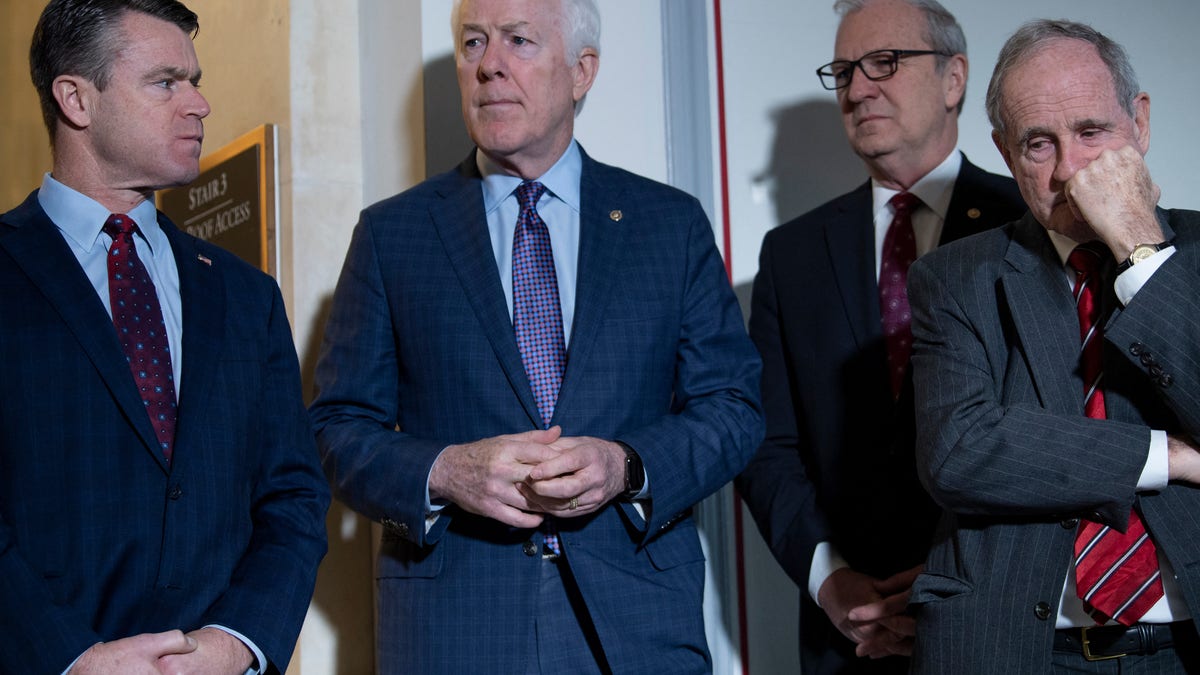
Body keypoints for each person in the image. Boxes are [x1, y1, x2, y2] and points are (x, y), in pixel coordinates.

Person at [308, 0, 763, 672]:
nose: (489, 64)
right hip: (457, 627)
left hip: (635, 625)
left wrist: (627, 465)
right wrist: (444, 472)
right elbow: (337, 429)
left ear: (582, 71)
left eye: (518, 41)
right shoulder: (392, 235)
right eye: (472, 43)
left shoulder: (669, 225)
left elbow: (734, 408)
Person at [0, 1, 330, 673]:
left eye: (196, 79)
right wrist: (71, 658)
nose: (200, 104)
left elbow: (293, 497)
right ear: (76, 98)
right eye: (165, 81)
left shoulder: (245, 294)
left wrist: (238, 641)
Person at [735, 0, 1023, 672]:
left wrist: (961, 574)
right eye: (843, 71)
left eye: (884, 63)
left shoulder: (1028, 227)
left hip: (1004, 621)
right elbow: (765, 445)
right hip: (850, 640)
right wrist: (828, 577)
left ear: (954, 79)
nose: (858, 88)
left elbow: (1059, 431)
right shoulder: (791, 254)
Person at [907, 18, 1200, 672]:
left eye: (1092, 132)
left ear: (1140, 123)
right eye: (1039, 143)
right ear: (1006, 153)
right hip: (1014, 645)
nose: (1070, 169)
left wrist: (1138, 248)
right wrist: (1169, 454)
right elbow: (959, 449)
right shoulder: (954, 277)